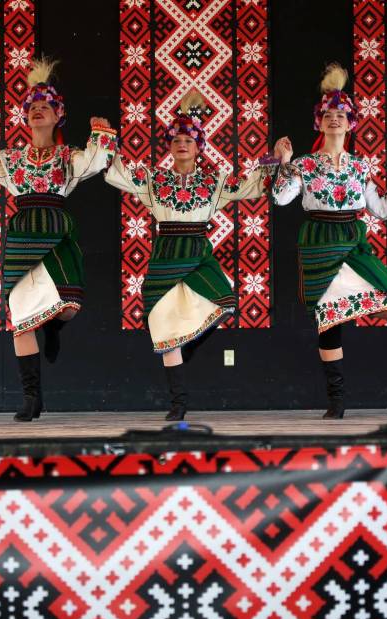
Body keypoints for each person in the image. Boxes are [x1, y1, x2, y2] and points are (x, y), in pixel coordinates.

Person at [105, 90, 277, 420]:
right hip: (166, 253)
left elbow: (249, 186)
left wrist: (275, 161)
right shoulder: (155, 179)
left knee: (225, 302)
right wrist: (106, 143)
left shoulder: (213, 181)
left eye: (188, 139)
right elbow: (120, 175)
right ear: (169, 145)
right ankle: (178, 403)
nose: (182, 144)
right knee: (167, 330)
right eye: (176, 139)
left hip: (197, 251)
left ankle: (189, 345)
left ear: (199, 146)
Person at [0, 58, 116, 420]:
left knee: (68, 306)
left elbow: (97, 162)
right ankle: (31, 398)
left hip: (57, 227)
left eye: (44, 107)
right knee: (22, 318)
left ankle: (55, 329)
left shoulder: (68, 155)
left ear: (58, 115)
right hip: (22, 233)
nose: (37, 112)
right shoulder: (10, 159)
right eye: (31, 108)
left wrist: (100, 133)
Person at [271, 63, 387, 419]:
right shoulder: (304, 164)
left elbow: (383, 210)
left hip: (351, 236)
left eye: (341, 114)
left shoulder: (361, 167)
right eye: (328, 114)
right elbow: (281, 198)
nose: (335, 119)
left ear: (351, 122)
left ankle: (338, 396)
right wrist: (283, 161)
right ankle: (337, 400)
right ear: (319, 121)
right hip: (318, 238)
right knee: (328, 322)